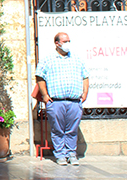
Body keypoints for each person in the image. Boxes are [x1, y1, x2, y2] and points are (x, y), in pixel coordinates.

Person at [35, 31, 89, 166]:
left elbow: (85, 76)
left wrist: (85, 93)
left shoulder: (77, 59)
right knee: (57, 130)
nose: (67, 44)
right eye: (65, 42)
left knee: (72, 129)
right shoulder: (47, 59)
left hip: (74, 101)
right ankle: (60, 155)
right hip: (56, 101)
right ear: (57, 43)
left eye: (68, 41)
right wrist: (45, 96)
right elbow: (39, 77)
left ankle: (71, 153)